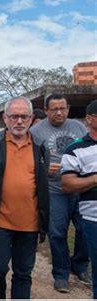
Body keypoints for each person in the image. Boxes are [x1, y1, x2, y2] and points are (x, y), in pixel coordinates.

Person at [0, 96, 50, 299]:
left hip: (30, 223)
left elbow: (43, 184)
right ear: (5, 118)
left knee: (23, 273)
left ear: (31, 118)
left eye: (24, 116)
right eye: (14, 116)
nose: (19, 121)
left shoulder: (40, 146)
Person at [30, 93, 90, 292]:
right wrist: (43, 169)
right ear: (46, 110)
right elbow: (29, 161)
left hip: (80, 188)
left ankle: (80, 265)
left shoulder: (79, 127)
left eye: (62, 108)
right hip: (54, 190)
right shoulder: (36, 131)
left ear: (68, 108)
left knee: (84, 229)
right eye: (54, 109)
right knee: (56, 233)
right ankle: (61, 273)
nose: (59, 112)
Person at [61, 99, 97, 299]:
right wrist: (95, 178)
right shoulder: (76, 148)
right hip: (94, 218)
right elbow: (68, 184)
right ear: (90, 119)